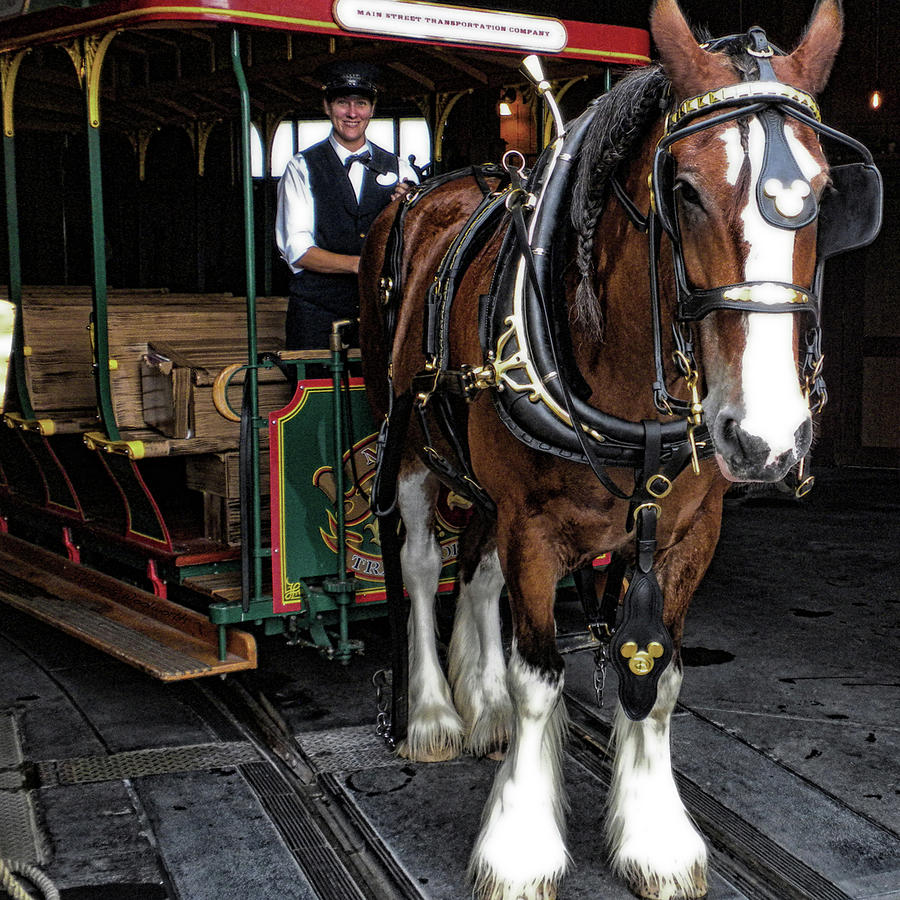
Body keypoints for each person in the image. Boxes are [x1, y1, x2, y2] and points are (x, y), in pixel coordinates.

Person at [275, 61, 418, 351]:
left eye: (361, 104)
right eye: (343, 103)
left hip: (381, 314)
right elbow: (299, 251)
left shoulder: (403, 171)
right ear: (327, 107)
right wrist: (361, 266)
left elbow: (417, 250)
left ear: (372, 109)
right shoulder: (301, 167)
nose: (352, 113)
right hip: (316, 317)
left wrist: (406, 214)